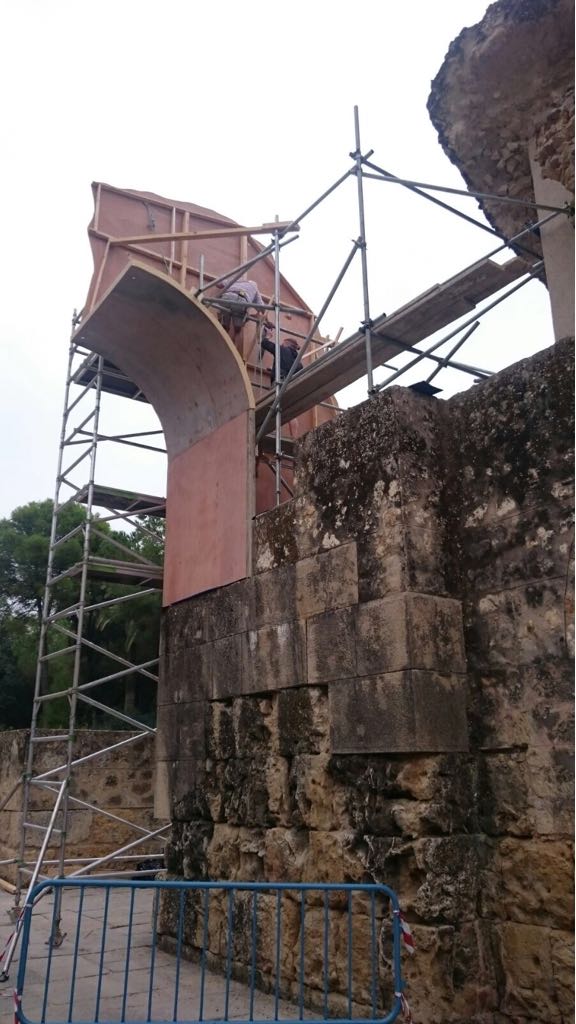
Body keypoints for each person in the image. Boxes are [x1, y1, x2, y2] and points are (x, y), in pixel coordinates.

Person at [215, 277, 264, 344]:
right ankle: (233, 347)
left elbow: (218, 284)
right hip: (241, 300)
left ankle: (219, 344)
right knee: (237, 329)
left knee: (224, 326)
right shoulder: (254, 286)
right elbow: (261, 307)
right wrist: (268, 321)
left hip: (227, 297)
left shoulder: (235, 279)